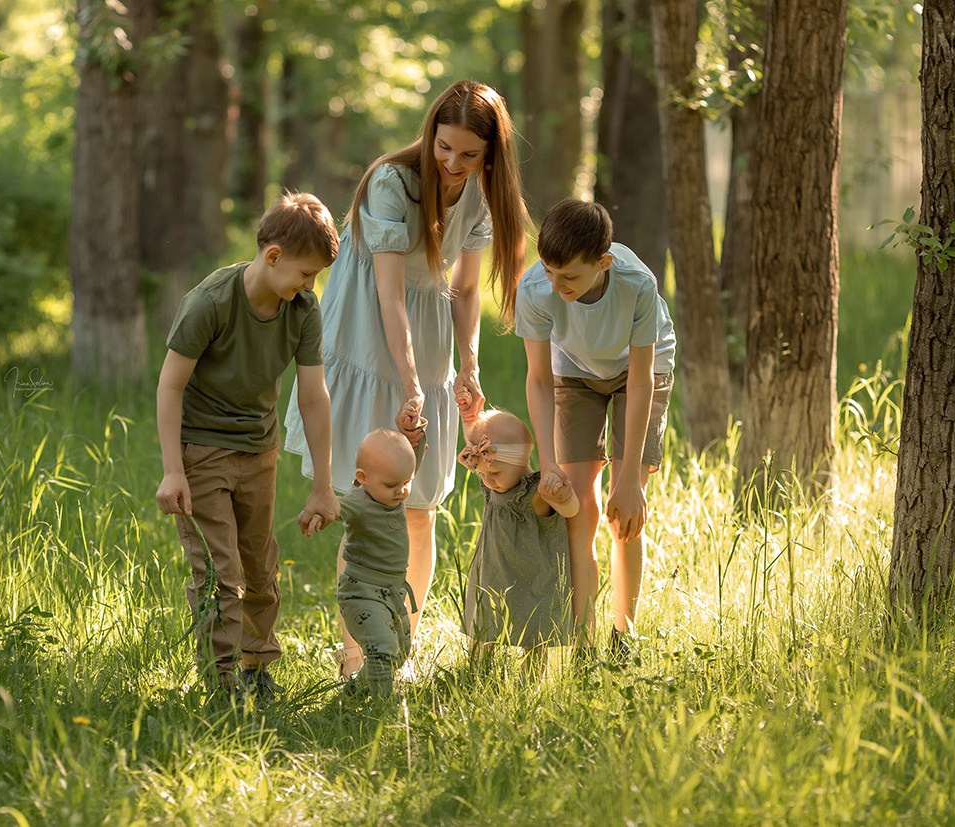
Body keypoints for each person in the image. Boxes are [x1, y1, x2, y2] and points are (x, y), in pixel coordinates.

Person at [283, 80, 530, 678]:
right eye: (444, 147)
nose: (452, 163)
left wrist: (467, 365)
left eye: (469, 154)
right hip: (373, 336)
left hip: (429, 333)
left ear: (489, 156)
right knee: (369, 504)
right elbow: (389, 297)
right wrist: (411, 382)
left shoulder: (477, 196)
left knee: (418, 508)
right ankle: (356, 651)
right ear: (431, 135)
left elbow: (466, 289)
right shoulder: (391, 183)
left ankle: (397, 651)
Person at [155, 192, 341, 705]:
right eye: (306, 273)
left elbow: (313, 396)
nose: (310, 285)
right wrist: (174, 471)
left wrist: (322, 487)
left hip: (259, 453)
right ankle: (220, 684)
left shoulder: (301, 309)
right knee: (220, 573)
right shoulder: (211, 302)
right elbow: (169, 387)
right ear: (274, 256)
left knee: (260, 568)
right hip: (202, 452)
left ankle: (258, 671)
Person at [515, 199, 676, 660]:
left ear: (603, 263)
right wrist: (547, 460)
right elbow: (539, 378)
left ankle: (623, 634)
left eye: (569, 277)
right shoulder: (536, 289)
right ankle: (583, 638)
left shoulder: (636, 285)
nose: (556, 284)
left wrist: (629, 481)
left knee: (624, 514)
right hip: (574, 371)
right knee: (579, 505)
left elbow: (642, 377)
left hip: (639, 371)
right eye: (549, 271)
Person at [455, 392, 577, 673]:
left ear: (520, 463)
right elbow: (475, 443)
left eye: (494, 473)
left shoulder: (535, 492)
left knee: (534, 632)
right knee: (485, 622)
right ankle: (478, 670)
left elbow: (571, 511)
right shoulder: (493, 478)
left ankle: (531, 674)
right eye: (482, 472)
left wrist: (564, 496)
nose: (487, 480)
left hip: (532, 575)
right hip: (494, 571)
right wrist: (467, 415)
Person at [332, 429, 424, 697]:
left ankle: (354, 693)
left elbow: (409, 459)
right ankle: (383, 710)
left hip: (392, 593)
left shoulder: (392, 487)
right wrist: (318, 512)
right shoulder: (358, 502)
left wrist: (419, 430)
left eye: (407, 481)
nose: (403, 490)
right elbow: (336, 508)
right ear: (363, 478)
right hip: (361, 591)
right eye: (393, 485)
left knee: (398, 652)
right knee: (382, 648)